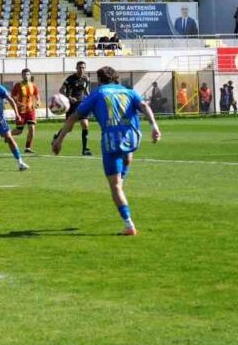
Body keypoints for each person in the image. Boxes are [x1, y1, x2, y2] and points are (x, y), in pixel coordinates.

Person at [51, 66, 161, 236]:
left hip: (111, 141)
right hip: (132, 138)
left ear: (100, 80)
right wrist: (154, 127)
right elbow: (144, 106)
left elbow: (74, 117)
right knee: (126, 155)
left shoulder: (98, 93)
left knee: (115, 186)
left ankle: (129, 224)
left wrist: (59, 139)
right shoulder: (128, 91)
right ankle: (122, 173)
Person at [57, 61, 94, 156]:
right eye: (80, 67)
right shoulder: (70, 79)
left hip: (82, 104)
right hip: (72, 105)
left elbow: (86, 90)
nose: (81, 69)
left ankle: (85, 149)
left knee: (85, 124)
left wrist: (91, 99)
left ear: (85, 69)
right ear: (76, 68)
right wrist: (69, 98)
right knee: (69, 129)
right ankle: (57, 136)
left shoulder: (86, 79)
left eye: (83, 68)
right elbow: (61, 90)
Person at [10, 68, 39, 154]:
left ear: (30, 76)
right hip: (21, 111)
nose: (26, 76)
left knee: (32, 128)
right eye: (24, 74)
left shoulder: (33, 85)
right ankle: (8, 135)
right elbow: (12, 97)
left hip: (30, 110)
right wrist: (17, 103)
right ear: (22, 76)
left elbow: (37, 96)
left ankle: (28, 148)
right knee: (19, 131)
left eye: (28, 74)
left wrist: (38, 102)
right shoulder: (17, 85)